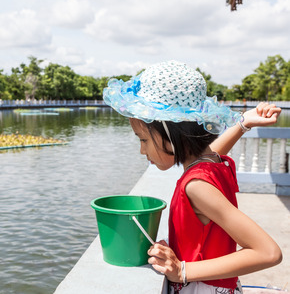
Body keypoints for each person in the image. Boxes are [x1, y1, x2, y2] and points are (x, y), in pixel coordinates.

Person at [103, 61, 282, 294]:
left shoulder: (196, 186)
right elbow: (214, 152)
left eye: (143, 139)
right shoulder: (211, 164)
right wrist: (243, 124)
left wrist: (182, 271)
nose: (142, 150)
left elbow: (268, 253)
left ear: (169, 131)